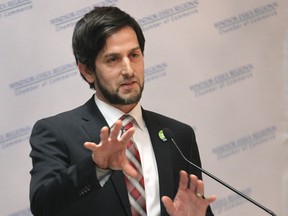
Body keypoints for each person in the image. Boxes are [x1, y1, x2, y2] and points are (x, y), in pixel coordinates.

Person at [29, 6, 216, 216]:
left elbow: (194, 208)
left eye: (134, 55)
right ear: (87, 71)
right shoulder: (56, 132)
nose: (129, 70)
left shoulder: (178, 136)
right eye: (113, 59)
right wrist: (96, 167)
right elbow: (42, 206)